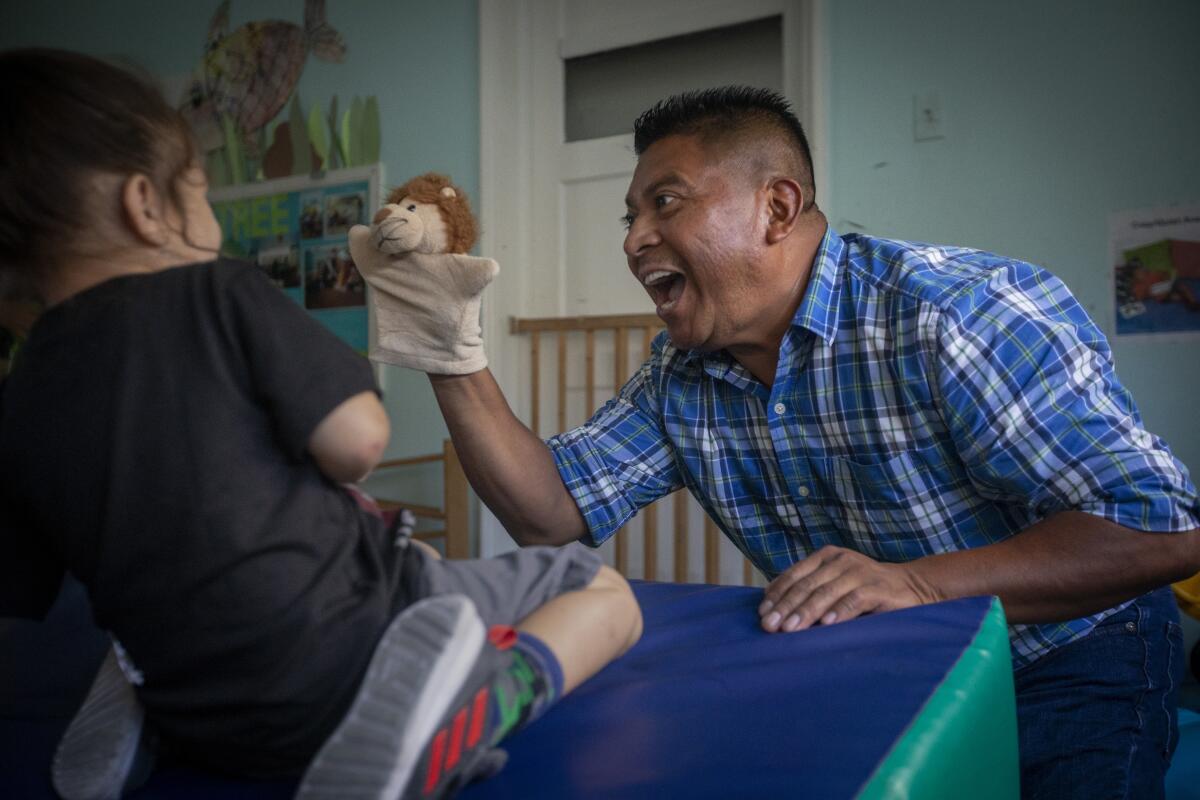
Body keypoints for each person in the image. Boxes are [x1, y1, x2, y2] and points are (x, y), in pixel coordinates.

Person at [376, 86, 1200, 799]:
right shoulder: (680, 375)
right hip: (888, 656)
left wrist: (912, 584)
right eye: (630, 217)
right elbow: (550, 512)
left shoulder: (956, 310)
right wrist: (453, 353)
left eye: (665, 202)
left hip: (1072, 653)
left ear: (777, 207)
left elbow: (1160, 525)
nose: (632, 240)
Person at [0, 48, 642, 800]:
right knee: (602, 592)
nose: (210, 219)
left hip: (204, 706)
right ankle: (472, 704)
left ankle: (141, 701)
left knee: (163, 614)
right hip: (353, 647)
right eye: (202, 191)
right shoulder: (218, 293)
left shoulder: (19, 398)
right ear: (145, 204)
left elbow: (18, 606)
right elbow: (359, 443)